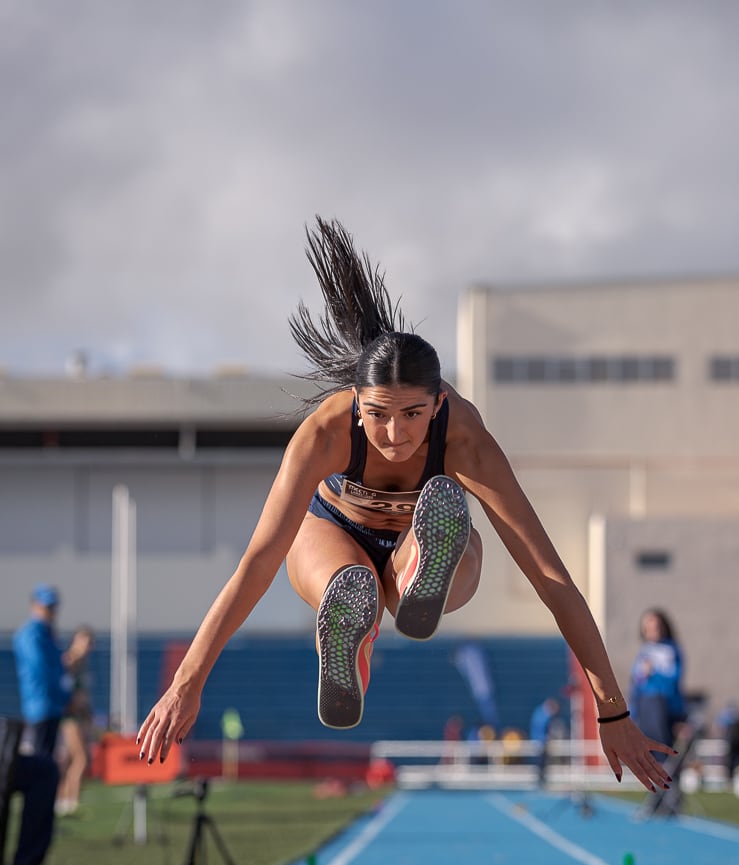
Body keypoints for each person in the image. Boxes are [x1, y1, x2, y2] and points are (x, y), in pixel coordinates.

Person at [137, 218, 674, 793]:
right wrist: (188, 681)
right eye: (378, 414)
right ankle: (354, 621)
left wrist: (612, 709)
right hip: (335, 532)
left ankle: (420, 569)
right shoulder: (324, 435)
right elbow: (258, 562)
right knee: (339, 571)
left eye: (413, 415)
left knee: (449, 529)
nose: (394, 433)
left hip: (425, 543)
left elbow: (548, 574)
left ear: (439, 402)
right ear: (357, 400)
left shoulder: (464, 439)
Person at [13, 586, 73, 758]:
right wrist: (64, 696)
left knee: (48, 759)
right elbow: (43, 672)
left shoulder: (48, 634)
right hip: (40, 706)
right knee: (41, 762)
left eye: (53, 607)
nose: (51, 612)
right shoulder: (31, 635)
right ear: (35, 605)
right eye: (47, 607)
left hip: (52, 706)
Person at [629, 609, 686, 750]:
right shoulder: (644, 651)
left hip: (664, 706)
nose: (652, 631)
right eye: (648, 628)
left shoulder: (671, 650)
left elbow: (673, 679)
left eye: (656, 627)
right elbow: (636, 682)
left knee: (661, 747)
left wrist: (652, 673)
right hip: (644, 706)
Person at [55, 626, 96, 816]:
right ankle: (71, 801)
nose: (87, 646)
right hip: (70, 717)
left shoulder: (83, 664)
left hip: (79, 716)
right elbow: (64, 689)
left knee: (70, 759)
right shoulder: (69, 662)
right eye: (84, 641)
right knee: (81, 758)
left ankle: (63, 799)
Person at [529, 697, 560, 782]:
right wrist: (545, 738)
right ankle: (540, 777)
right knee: (541, 761)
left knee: (543, 761)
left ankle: (541, 777)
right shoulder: (543, 714)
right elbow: (541, 728)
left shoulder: (541, 713)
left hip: (540, 740)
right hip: (540, 740)